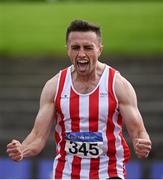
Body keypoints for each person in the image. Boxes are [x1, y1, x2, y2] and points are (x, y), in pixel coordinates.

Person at [6, 19, 152, 179]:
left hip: (108, 172)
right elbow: (38, 136)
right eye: (75, 48)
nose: (81, 54)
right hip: (66, 173)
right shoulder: (54, 86)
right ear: (68, 50)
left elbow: (138, 131)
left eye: (88, 48)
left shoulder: (118, 85)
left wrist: (142, 143)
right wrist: (22, 149)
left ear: (99, 50)